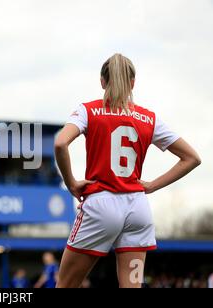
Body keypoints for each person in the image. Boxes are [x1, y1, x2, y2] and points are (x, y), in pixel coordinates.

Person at [54, 54, 201, 288]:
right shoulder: (149, 118)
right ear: (133, 83)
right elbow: (192, 158)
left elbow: (60, 143)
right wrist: (152, 185)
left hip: (101, 204)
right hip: (138, 209)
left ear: (102, 81)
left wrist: (71, 182)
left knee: (65, 285)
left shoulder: (88, 111)